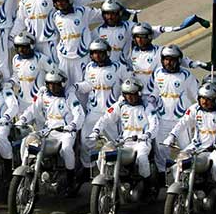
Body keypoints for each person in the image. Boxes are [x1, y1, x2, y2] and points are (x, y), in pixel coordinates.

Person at [13, 0, 106, 60]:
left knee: (54, 67)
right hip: (33, 43)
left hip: (51, 41)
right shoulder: (24, 2)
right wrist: (12, 35)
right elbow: (20, 20)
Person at [163, 83, 216, 203]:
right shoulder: (194, 109)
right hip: (195, 146)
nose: (204, 102)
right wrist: (172, 135)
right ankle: (180, 188)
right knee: (178, 164)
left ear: (215, 100)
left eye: (208, 99)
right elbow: (182, 122)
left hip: (214, 148)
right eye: (202, 98)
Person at [17, 69, 84, 187]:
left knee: (66, 148)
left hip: (65, 131)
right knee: (26, 141)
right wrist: (22, 119)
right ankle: (26, 168)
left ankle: (70, 178)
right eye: (50, 84)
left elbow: (79, 114)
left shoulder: (69, 96)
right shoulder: (44, 96)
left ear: (62, 84)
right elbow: (32, 110)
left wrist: (73, 125)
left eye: (56, 84)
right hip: (48, 130)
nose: (52, 87)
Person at [90, 78, 158, 193]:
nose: (130, 97)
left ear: (139, 93)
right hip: (123, 142)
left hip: (141, 142)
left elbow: (154, 124)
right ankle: (107, 178)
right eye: (127, 94)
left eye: (133, 94)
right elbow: (105, 118)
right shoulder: (120, 105)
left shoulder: (147, 106)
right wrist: (96, 130)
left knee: (142, 158)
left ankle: (148, 186)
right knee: (103, 154)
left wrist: (148, 134)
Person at [76, 38, 131, 171]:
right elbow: (88, 85)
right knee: (85, 141)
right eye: (94, 53)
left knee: (115, 143)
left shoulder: (119, 67)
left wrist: (121, 101)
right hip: (94, 112)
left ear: (107, 53)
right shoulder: (90, 67)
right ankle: (87, 166)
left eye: (101, 52)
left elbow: (129, 83)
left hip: (111, 113)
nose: (97, 56)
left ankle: (121, 168)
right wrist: (76, 86)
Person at [146, 44, 199, 178]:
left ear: (179, 60)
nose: (168, 62)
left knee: (186, 150)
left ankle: (189, 178)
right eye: (166, 59)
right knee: (161, 150)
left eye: (172, 59)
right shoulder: (158, 73)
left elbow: (198, 96)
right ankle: (161, 176)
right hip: (162, 120)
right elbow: (156, 91)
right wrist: (152, 99)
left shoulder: (186, 75)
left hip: (181, 121)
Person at [130, 22, 208, 94]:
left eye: (142, 37)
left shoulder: (160, 51)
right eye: (137, 37)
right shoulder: (132, 52)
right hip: (138, 94)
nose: (139, 40)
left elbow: (178, 58)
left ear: (149, 37)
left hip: (155, 93)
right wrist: (162, 29)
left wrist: (194, 64)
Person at [50, 0, 102, 87]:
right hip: (64, 57)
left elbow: (103, 15)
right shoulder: (55, 16)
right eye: (57, 1)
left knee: (85, 84)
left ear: (70, 0)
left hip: (82, 56)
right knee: (65, 85)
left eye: (63, 1)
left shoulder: (83, 12)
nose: (60, 4)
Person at [11, 31, 55, 114]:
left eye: (24, 47)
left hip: (38, 101)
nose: (21, 50)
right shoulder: (16, 59)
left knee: (41, 126)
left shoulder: (41, 58)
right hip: (23, 100)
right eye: (18, 47)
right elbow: (16, 75)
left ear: (31, 46)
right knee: (23, 126)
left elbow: (53, 73)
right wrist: (11, 82)